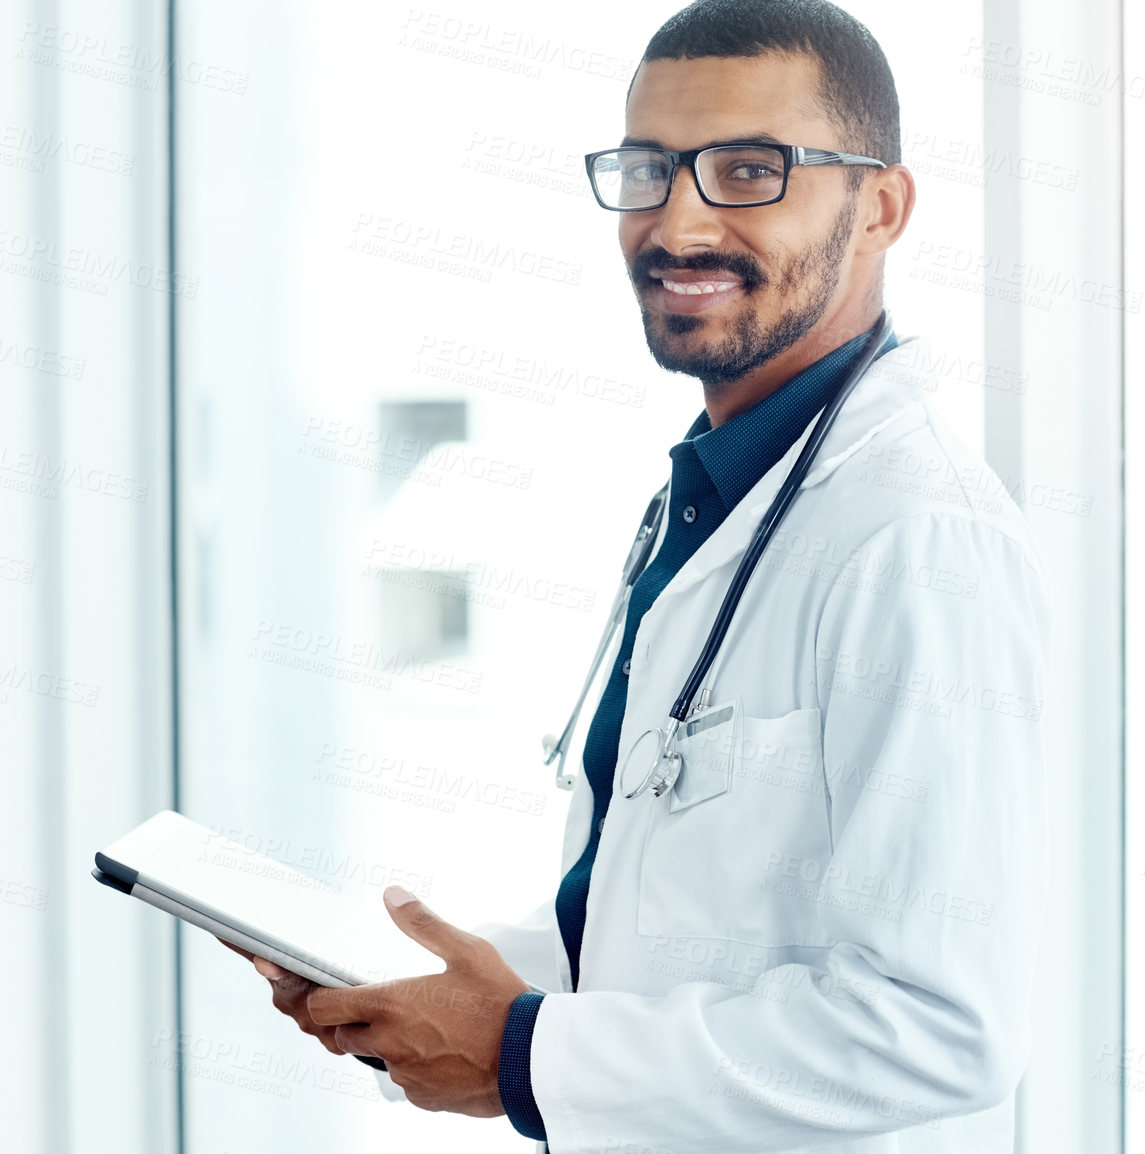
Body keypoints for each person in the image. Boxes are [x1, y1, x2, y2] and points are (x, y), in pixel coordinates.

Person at [231, 2, 1052, 1149]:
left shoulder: (915, 542)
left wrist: (520, 1053)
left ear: (880, 207)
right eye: (650, 169)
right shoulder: (716, 490)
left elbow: (940, 1025)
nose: (679, 221)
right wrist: (422, 992)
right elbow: (666, 924)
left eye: (749, 170)